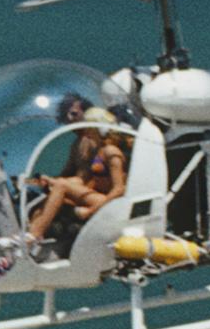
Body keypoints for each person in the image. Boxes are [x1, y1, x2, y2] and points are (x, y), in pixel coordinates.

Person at [27, 109, 133, 256]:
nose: (86, 130)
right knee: (55, 189)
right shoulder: (98, 150)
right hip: (98, 196)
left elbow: (119, 189)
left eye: (89, 126)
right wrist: (49, 181)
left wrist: (90, 211)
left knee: (62, 185)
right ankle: (30, 233)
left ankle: (32, 237)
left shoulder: (111, 152)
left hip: (110, 203)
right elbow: (84, 180)